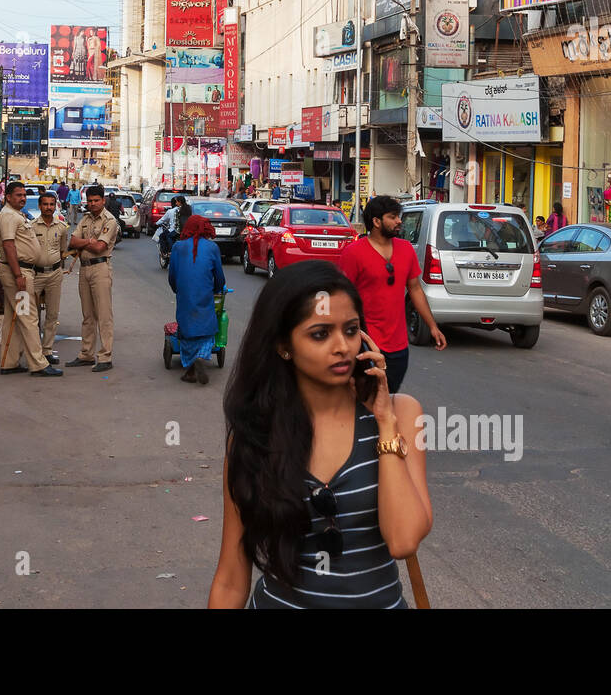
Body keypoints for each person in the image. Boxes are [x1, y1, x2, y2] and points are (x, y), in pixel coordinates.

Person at [207, 260, 432, 609]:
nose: (342, 346)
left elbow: (403, 541)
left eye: (351, 329)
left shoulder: (402, 415)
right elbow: (231, 575)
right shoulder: (256, 434)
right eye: (320, 333)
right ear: (283, 346)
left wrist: (385, 424)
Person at [338, 196, 446, 394]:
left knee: (390, 396)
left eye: (399, 216)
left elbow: (415, 289)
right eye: (393, 217)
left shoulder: (406, 249)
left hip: (398, 346)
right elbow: (342, 298)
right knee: (366, 399)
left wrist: (432, 326)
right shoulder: (353, 253)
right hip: (365, 342)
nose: (399, 221)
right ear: (377, 222)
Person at [0, 181, 61, 376]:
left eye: (24, 195)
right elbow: (8, 246)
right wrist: (18, 275)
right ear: (8, 197)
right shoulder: (7, 216)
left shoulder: (16, 215)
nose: (23, 198)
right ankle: (39, 364)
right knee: (28, 317)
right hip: (19, 272)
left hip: (23, 271)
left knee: (13, 318)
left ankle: (9, 362)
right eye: (18, 195)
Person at [66, 185, 119, 372]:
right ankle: (86, 354)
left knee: (104, 315)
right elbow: (72, 241)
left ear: (103, 201)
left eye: (96, 200)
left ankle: (105, 357)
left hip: (101, 269)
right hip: (85, 269)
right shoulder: (86, 219)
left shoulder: (110, 220)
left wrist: (85, 243)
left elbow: (100, 248)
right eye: (89, 201)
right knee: (87, 316)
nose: (93, 204)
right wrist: (89, 241)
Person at [167, 214, 225, 385]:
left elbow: (172, 276)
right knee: (207, 326)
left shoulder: (177, 247)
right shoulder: (212, 247)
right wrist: (215, 290)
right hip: (205, 294)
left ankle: (191, 366)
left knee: (185, 327)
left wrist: (178, 290)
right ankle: (201, 357)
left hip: (184, 294)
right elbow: (220, 278)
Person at [29, 190, 71, 366]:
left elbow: (63, 252)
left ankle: (47, 351)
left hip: (54, 274)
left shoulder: (62, 228)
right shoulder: (31, 226)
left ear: (55, 206)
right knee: (31, 316)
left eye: (51, 204)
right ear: (40, 206)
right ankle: (33, 352)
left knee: (52, 314)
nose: (48, 207)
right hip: (35, 274)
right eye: (45, 204)